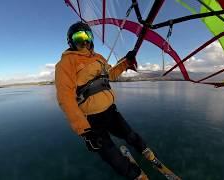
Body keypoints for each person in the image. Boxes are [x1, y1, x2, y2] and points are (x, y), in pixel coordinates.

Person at [55, 21, 155, 180]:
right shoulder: (65, 63)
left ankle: (144, 150)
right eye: (78, 36)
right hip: (91, 120)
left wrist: (126, 61)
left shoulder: (99, 58)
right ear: (71, 41)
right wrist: (85, 131)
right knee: (111, 155)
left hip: (110, 111)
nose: (84, 40)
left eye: (87, 35)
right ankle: (135, 175)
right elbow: (65, 97)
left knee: (130, 135)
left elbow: (111, 74)